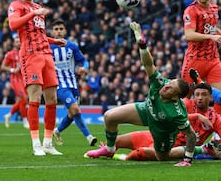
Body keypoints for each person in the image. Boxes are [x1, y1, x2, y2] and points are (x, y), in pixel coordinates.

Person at [84, 22, 197, 167]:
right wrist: (142, 45)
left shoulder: (176, 113)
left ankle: (201, 149)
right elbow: (149, 64)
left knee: (162, 158)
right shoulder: (160, 83)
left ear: (175, 97)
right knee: (110, 116)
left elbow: (191, 135)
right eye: (169, 82)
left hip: (162, 129)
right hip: (146, 110)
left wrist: (187, 160)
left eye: (170, 88)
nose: (166, 86)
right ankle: (110, 149)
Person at [91, 81, 221, 163]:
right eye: (197, 94)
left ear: (210, 98)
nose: (199, 97)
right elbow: (172, 116)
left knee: (140, 153)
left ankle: (123, 158)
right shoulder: (184, 104)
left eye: (204, 95)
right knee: (115, 140)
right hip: (154, 133)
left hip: (172, 146)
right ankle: (109, 152)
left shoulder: (216, 118)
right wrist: (196, 116)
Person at [7, 0, 66, 156]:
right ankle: (36, 144)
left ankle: (48, 143)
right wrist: (33, 14)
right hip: (30, 55)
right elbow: (13, 25)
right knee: (35, 98)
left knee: (52, 99)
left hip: (46, 54)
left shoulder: (38, 8)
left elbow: (39, 34)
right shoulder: (16, 5)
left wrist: (54, 40)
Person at [181, 0, 221, 141]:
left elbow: (211, 26)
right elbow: (189, 34)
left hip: (213, 59)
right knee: (184, 100)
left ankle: (217, 139)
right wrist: (212, 37)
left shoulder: (214, 8)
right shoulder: (191, 10)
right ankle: (181, 133)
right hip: (195, 61)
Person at [49, 19, 97, 146]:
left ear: (65, 31)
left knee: (72, 113)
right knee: (75, 109)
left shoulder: (72, 46)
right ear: (52, 32)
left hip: (73, 84)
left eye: (61, 29)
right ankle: (89, 137)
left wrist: (83, 68)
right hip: (59, 85)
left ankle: (57, 131)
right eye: (56, 29)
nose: (59, 32)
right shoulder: (48, 47)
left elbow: (83, 61)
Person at [1, 37, 29, 129]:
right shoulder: (10, 54)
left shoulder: (25, 52)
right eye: (16, 41)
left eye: (19, 41)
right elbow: (3, 66)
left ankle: (9, 115)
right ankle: (24, 120)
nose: (18, 43)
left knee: (23, 100)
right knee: (24, 99)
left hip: (24, 78)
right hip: (15, 79)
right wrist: (13, 70)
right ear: (14, 43)